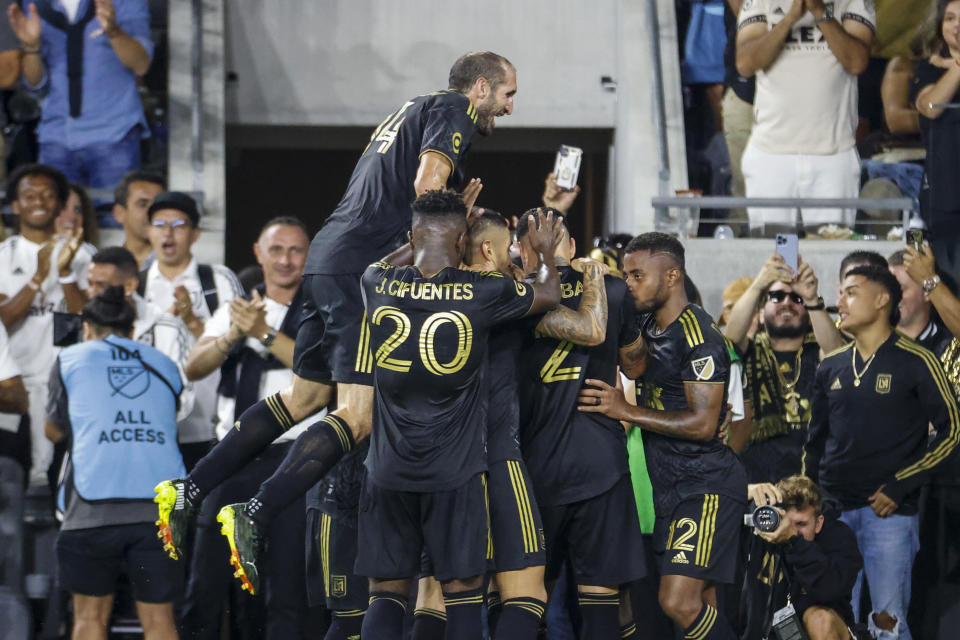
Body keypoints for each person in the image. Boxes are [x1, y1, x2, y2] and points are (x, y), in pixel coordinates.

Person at [154, 51, 517, 590]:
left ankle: (189, 487)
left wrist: (448, 210)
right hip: (360, 269)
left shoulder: (412, 108)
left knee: (303, 399)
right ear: (482, 88)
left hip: (328, 255)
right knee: (358, 414)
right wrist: (448, 225)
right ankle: (256, 510)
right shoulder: (454, 109)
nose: (510, 108)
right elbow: (425, 184)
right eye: (509, 95)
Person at [325, 191, 557, 640]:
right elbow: (546, 293)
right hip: (456, 473)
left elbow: (388, 261)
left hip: (388, 471)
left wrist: (424, 237)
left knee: (387, 594)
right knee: (463, 595)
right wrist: (544, 251)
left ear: (412, 237)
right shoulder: (482, 292)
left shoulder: (376, 281)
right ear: (463, 242)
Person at [579, 232, 746, 640]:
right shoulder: (649, 326)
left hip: (705, 488)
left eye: (637, 275)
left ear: (672, 276)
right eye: (626, 274)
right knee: (697, 607)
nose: (629, 283)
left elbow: (705, 426)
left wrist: (626, 410)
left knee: (678, 602)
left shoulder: (701, 337)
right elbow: (635, 368)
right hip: (668, 488)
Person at [179, 217, 319, 639]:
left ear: (309, 256)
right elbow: (194, 365)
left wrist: (263, 332)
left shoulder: (321, 308)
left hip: (295, 459)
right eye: (276, 250)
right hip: (233, 456)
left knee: (287, 584)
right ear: (258, 254)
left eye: (295, 250)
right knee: (207, 580)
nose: (285, 260)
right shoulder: (237, 308)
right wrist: (234, 334)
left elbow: (316, 370)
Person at [804, 265, 960, 638]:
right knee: (834, 620)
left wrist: (899, 485)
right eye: (840, 292)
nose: (839, 301)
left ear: (881, 299)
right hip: (833, 514)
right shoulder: (832, 366)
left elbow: (952, 430)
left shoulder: (918, 361)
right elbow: (814, 443)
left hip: (888, 515)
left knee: (887, 624)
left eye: (851, 292)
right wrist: (811, 499)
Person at [514, 210, 647, 639]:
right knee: (603, 607)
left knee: (527, 603)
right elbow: (636, 364)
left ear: (522, 250)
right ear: (571, 248)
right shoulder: (610, 289)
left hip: (532, 474)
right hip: (601, 466)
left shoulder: (512, 297)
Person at [45, 286, 188, 640]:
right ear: (132, 328)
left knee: (88, 618)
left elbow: (52, 431)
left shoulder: (70, 359)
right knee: (160, 621)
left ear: (87, 328)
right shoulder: (163, 362)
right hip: (161, 508)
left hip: (92, 508)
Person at [8, 0, 153, 227]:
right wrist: (31, 47)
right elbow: (35, 81)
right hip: (55, 135)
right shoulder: (35, 4)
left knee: (115, 226)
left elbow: (141, 63)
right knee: (53, 230)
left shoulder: (125, 2)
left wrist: (114, 31)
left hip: (114, 134)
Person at [736, 0, 876, 234]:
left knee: (832, 251)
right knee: (775, 255)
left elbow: (856, 61)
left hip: (834, 154)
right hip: (771, 154)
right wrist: (790, 18)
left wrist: (819, 11)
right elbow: (745, 63)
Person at [0, 163, 91, 486]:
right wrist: (38, 277)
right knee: (13, 483)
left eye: (48, 195)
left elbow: (89, 321)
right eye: (29, 195)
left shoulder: (83, 256)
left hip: (66, 383)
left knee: (58, 483)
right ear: (15, 205)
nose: (38, 201)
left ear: (59, 203)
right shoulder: (2, 256)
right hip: (12, 389)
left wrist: (64, 274)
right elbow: (3, 319)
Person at [140, 191, 243, 470]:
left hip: (208, 426)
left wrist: (192, 321)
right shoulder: (135, 286)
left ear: (195, 234)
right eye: (160, 225)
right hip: (148, 426)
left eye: (179, 225)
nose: (168, 234)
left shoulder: (218, 280)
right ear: (148, 232)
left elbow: (237, 348)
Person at [724, 254, 839, 481]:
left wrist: (811, 297)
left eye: (796, 299)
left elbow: (837, 355)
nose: (787, 303)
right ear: (761, 312)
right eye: (776, 297)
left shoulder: (818, 348)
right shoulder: (749, 349)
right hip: (755, 482)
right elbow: (730, 338)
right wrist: (759, 284)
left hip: (813, 482)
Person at [742, 476, 863, 639]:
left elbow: (829, 590)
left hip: (821, 632)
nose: (792, 530)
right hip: (769, 632)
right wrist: (745, 492)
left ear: (818, 523)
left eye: (801, 524)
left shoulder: (839, 537)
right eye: (788, 522)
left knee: (820, 620)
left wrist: (794, 542)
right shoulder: (763, 531)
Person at [912, 0, 960, 288]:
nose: (958, 25)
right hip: (946, 200)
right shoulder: (928, 71)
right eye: (950, 18)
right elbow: (931, 105)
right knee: (949, 283)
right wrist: (957, 65)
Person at [889, 249, 953, 355]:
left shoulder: (948, 349)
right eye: (888, 288)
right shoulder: (873, 344)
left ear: (927, 292)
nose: (891, 296)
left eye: (900, 289)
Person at [112, 170, 165, 269]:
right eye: (142, 204)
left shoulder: (181, 266)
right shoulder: (106, 266)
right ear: (119, 213)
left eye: (158, 205)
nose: (151, 212)